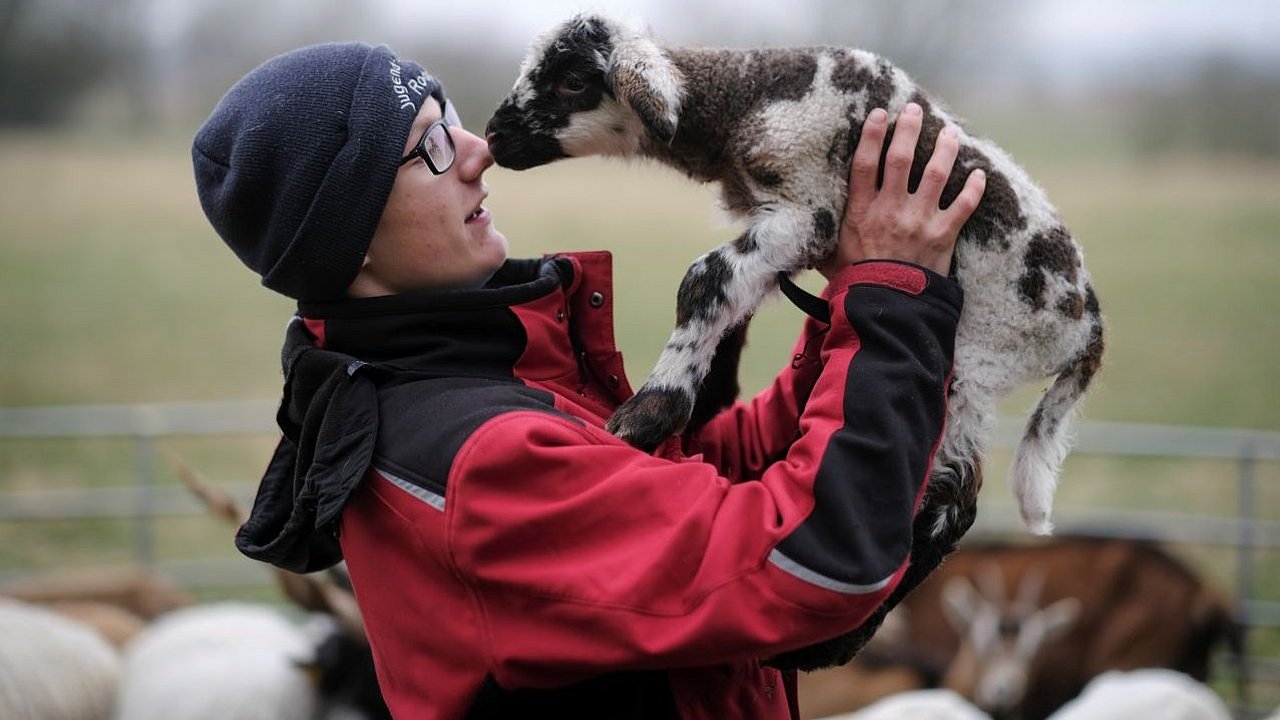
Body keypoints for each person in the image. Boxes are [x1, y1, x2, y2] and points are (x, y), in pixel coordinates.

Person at [193, 42, 986, 720]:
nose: (479, 152)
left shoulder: (468, 379)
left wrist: (846, 311)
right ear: (349, 237)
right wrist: (890, 301)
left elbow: (700, 482)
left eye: (452, 117)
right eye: (430, 148)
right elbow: (814, 556)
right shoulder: (479, 464)